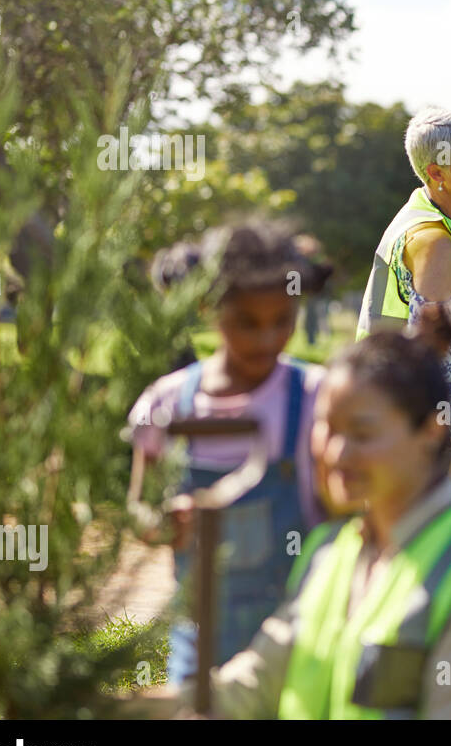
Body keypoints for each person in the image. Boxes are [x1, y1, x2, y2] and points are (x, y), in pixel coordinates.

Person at [129, 307, 451, 719]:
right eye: (327, 427)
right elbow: (254, 684)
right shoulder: (331, 554)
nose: (337, 453)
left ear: (430, 429)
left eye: (362, 433)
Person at [127, 220, 331, 683]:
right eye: (247, 323)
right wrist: (160, 522)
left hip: (297, 646)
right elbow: (138, 507)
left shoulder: (317, 399)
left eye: (283, 320)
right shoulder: (168, 404)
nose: (267, 338)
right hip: (199, 644)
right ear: (207, 305)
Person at [357, 109, 451, 502]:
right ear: (436, 174)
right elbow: (435, 349)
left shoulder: (434, 219)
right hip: (417, 424)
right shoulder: (434, 239)